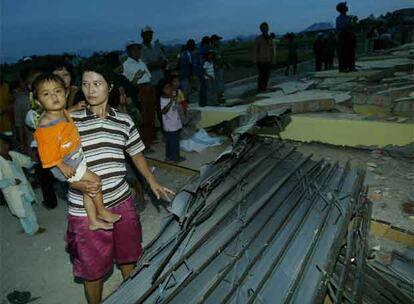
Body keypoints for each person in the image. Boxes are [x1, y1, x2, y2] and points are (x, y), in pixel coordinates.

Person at [67, 64, 174, 304]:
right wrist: (74, 182)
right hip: (86, 209)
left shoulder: (123, 120)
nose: (90, 90)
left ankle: (131, 297)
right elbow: (52, 159)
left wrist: (151, 179)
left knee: (129, 257)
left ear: (110, 87)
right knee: (92, 269)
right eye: (85, 84)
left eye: (97, 83)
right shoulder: (70, 120)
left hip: (122, 201)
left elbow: (136, 153)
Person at [32, 73, 120, 230]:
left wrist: (73, 108)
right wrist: (61, 166)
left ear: (65, 93)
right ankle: (101, 211)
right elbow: (46, 153)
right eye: (46, 94)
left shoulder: (62, 112)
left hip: (75, 156)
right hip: (66, 163)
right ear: (38, 101)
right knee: (95, 181)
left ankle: (93, 221)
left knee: (88, 190)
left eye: (57, 91)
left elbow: (66, 114)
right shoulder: (45, 124)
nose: (54, 97)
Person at [0, 133, 44, 235]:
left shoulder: (12, 154)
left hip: (23, 186)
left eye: (5, 143)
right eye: (0, 145)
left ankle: (30, 227)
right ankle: (33, 229)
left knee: (26, 208)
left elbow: (26, 161)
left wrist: (31, 161)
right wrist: (11, 181)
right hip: (13, 191)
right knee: (23, 210)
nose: (4, 147)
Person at [123, 41, 156, 151]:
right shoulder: (126, 65)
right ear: (129, 51)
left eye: (138, 49)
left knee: (151, 115)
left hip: (148, 89)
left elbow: (149, 77)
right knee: (143, 117)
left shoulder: (142, 62)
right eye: (134, 49)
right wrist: (136, 78)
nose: (137, 51)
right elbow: (126, 84)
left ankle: (150, 140)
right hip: (138, 90)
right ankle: (144, 144)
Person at [159, 78, 185, 163]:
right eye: (166, 88)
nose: (169, 89)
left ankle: (169, 157)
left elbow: (181, 101)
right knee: (174, 143)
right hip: (170, 125)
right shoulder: (163, 99)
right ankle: (176, 158)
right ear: (162, 90)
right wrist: (170, 101)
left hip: (175, 123)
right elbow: (163, 111)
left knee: (170, 142)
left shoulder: (173, 94)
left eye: (169, 87)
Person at [253, 22, 274, 91]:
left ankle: (264, 87)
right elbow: (255, 50)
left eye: (266, 28)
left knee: (267, 75)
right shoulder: (258, 39)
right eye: (263, 28)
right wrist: (255, 60)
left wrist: (272, 59)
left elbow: (272, 49)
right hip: (261, 60)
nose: (265, 29)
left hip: (268, 59)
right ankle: (260, 88)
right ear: (261, 29)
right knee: (262, 75)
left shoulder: (270, 38)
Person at [336, 2, 357, 72]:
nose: (347, 7)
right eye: (345, 6)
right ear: (342, 9)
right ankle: (343, 68)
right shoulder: (339, 18)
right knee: (343, 54)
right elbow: (342, 28)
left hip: (350, 38)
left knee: (351, 53)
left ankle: (351, 66)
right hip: (344, 38)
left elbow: (352, 27)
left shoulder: (348, 17)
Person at [210, 34, 226, 100]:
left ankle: (221, 94)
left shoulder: (219, 47)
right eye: (217, 40)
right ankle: (219, 95)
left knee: (220, 80)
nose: (218, 41)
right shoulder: (212, 48)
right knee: (217, 81)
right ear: (214, 40)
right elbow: (211, 58)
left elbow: (222, 56)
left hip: (220, 65)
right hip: (215, 66)